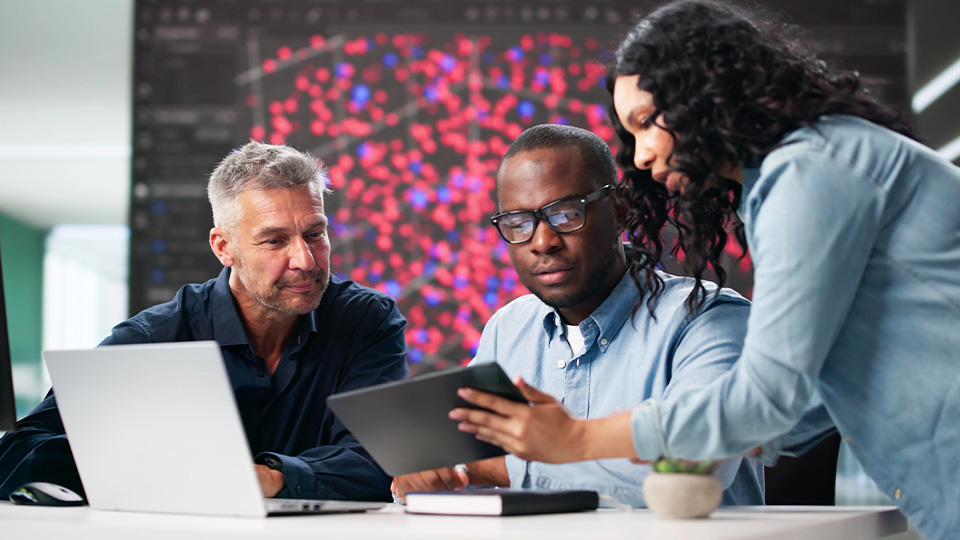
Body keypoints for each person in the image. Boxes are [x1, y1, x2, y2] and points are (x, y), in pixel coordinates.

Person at [448, 2, 960, 539]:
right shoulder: (799, 173)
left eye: (647, 123)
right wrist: (696, 440)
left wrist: (577, 439)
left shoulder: (809, 173)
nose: (642, 155)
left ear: (708, 92)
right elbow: (798, 409)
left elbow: (764, 400)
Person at [0, 141, 409, 502]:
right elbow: (18, 453)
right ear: (224, 247)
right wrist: (156, 467)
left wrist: (266, 478)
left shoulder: (366, 322)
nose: (304, 259)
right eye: (275, 240)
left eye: (315, 234)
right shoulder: (157, 338)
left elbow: (378, 462)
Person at [392, 124, 764, 507]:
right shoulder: (507, 329)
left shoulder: (709, 319)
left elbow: (691, 472)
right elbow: (455, 459)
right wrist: (426, 472)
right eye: (518, 223)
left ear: (621, 210)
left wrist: (493, 468)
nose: (542, 242)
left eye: (566, 213)